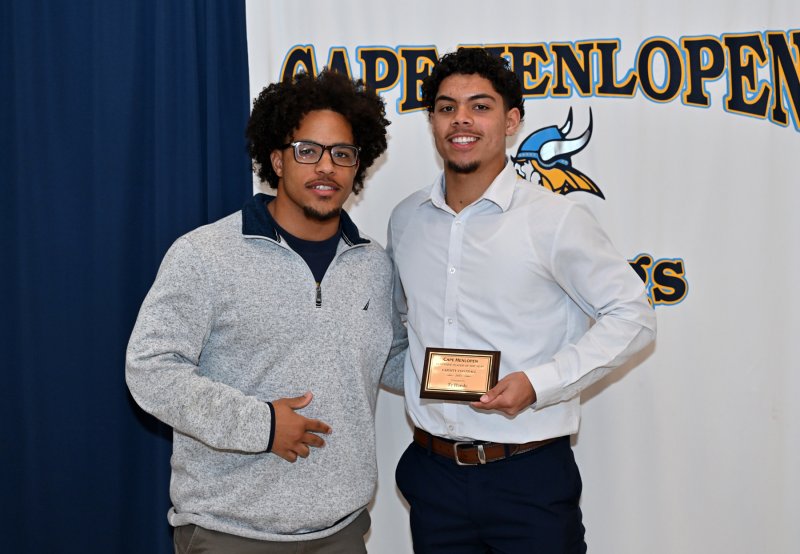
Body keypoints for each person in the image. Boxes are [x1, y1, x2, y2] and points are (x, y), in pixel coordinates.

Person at [387, 47, 656, 553]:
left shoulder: (554, 219)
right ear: (432, 122)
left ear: (511, 120)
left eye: (480, 106)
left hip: (527, 478)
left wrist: (537, 383)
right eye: (446, 107)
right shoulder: (406, 220)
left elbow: (633, 316)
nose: (461, 119)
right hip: (433, 478)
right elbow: (406, 325)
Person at [126, 69, 406, 553]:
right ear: (277, 159)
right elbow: (150, 369)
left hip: (342, 531)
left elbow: (393, 358)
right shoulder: (205, 254)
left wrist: (478, 373)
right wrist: (262, 425)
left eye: (342, 154)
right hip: (228, 532)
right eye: (308, 151)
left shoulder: (373, 264)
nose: (326, 167)